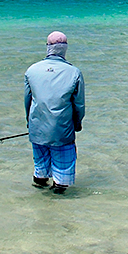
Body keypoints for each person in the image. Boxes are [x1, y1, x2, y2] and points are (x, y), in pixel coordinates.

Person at [24, 31, 85, 194]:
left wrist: (29, 122)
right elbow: (79, 105)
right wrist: (77, 124)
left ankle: (39, 201)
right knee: (62, 176)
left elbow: (27, 101)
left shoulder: (31, 70)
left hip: (38, 128)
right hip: (62, 130)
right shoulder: (74, 72)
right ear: (64, 49)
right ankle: (58, 206)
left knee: (40, 169)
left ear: (48, 48)